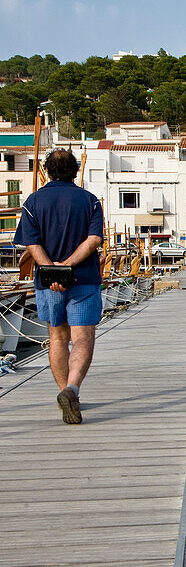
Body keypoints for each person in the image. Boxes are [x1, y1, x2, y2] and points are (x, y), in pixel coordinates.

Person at [14, 148, 104, 424]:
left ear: (47, 171)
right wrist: (67, 267)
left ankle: (64, 392)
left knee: (57, 337)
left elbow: (32, 244)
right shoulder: (89, 201)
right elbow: (93, 241)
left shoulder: (33, 202)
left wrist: (52, 271)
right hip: (84, 280)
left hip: (47, 283)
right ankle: (72, 390)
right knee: (83, 339)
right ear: (76, 171)